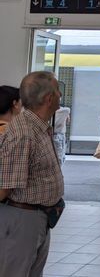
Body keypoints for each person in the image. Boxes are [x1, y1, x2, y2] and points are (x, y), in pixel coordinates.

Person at [0, 71, 65, 277]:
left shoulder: (38, 127)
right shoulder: (23, 133)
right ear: (49, 98)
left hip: (38, 218)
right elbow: (4, 188)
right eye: (57, 90)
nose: (60, 95)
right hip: (22, 219)